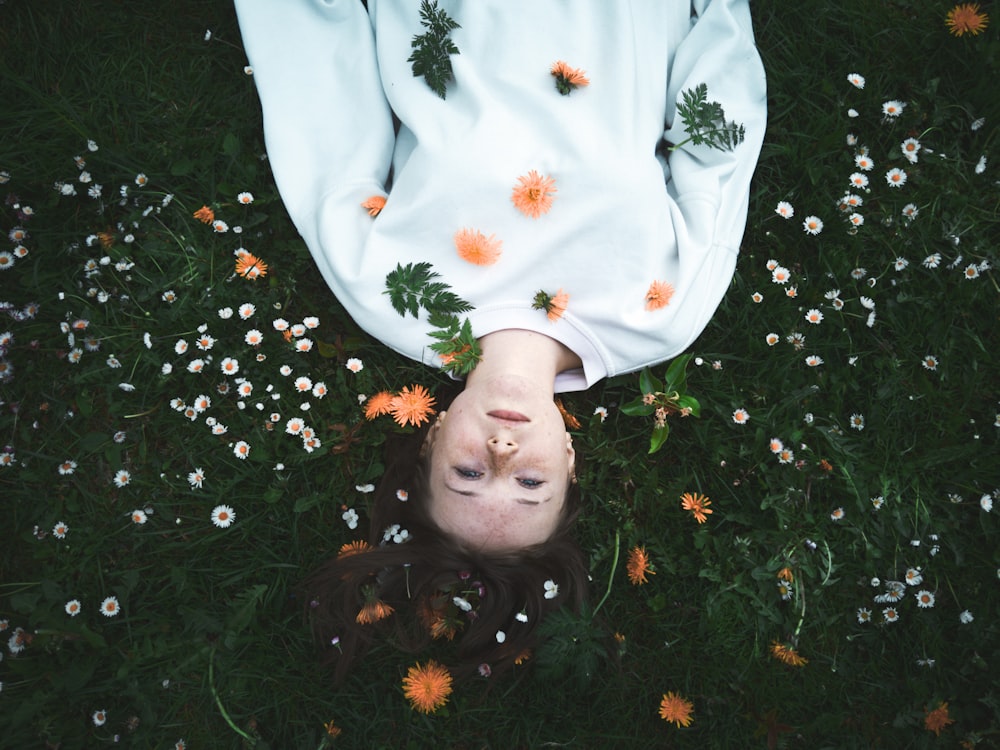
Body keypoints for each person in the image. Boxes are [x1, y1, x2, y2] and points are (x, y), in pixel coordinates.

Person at [235, 0, 766, 681]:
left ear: (429, 441)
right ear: (570, 459)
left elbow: (324, 114)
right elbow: (717, 151)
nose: (502, 450)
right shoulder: (662, 317)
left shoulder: (395, 298)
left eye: (467, 474)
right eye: (530, 482)